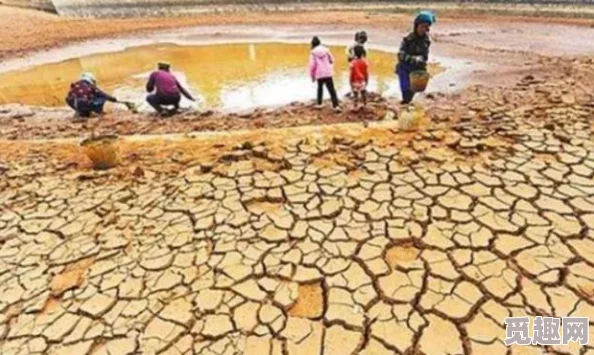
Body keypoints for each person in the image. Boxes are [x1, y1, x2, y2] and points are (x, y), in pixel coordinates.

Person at [396, 10, 436, 105]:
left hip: (416, 69)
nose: (424, 29)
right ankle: (405, 104)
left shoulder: (426, 41)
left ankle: (407, 105)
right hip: (404, 68)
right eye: (422, 26)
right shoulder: (408, 39)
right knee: (406, 91)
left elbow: (425, 56)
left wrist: (423, 67)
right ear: (416, 26)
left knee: (413, 90)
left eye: (426, 27)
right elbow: (400, 55)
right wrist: (412, 58)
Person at [309, 36, 341, 112]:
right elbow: (332, 60)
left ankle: (319, 103)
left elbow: (312, 66)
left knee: (320, 88)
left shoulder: (313, 53)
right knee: (332, 90)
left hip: (319, 74)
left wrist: (312, 76)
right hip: (328, 73)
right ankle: (336, 106)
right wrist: (328, 64)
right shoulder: (326, 50)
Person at [349, 45, 369, 110]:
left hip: (355, 81)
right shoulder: (365, 62)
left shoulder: (353, 62)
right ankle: (365, 104)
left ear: (354, 53)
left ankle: (355, 106)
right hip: (362, 81)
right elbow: (366, 73)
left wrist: (350, 82)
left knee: (355, 95)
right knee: (363, 93)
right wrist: (366, 81)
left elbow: (351, 74)